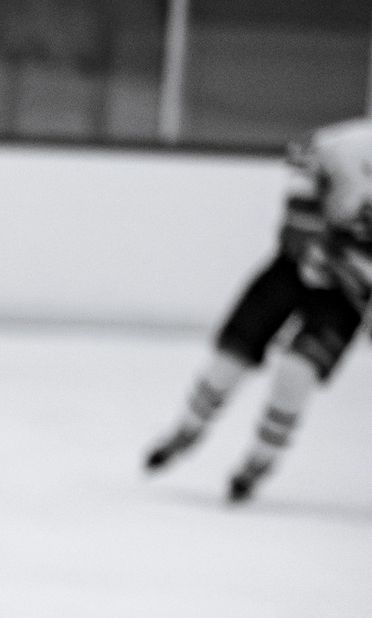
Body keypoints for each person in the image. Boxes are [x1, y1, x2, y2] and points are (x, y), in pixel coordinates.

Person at [145, 116, 372, 503]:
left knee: (296, 372)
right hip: (291, 269)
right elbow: (305, 151)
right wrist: (305, 221)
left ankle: (260, 460)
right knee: (231, 357)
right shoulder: (354, 142)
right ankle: (190, 426)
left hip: (345, 294)